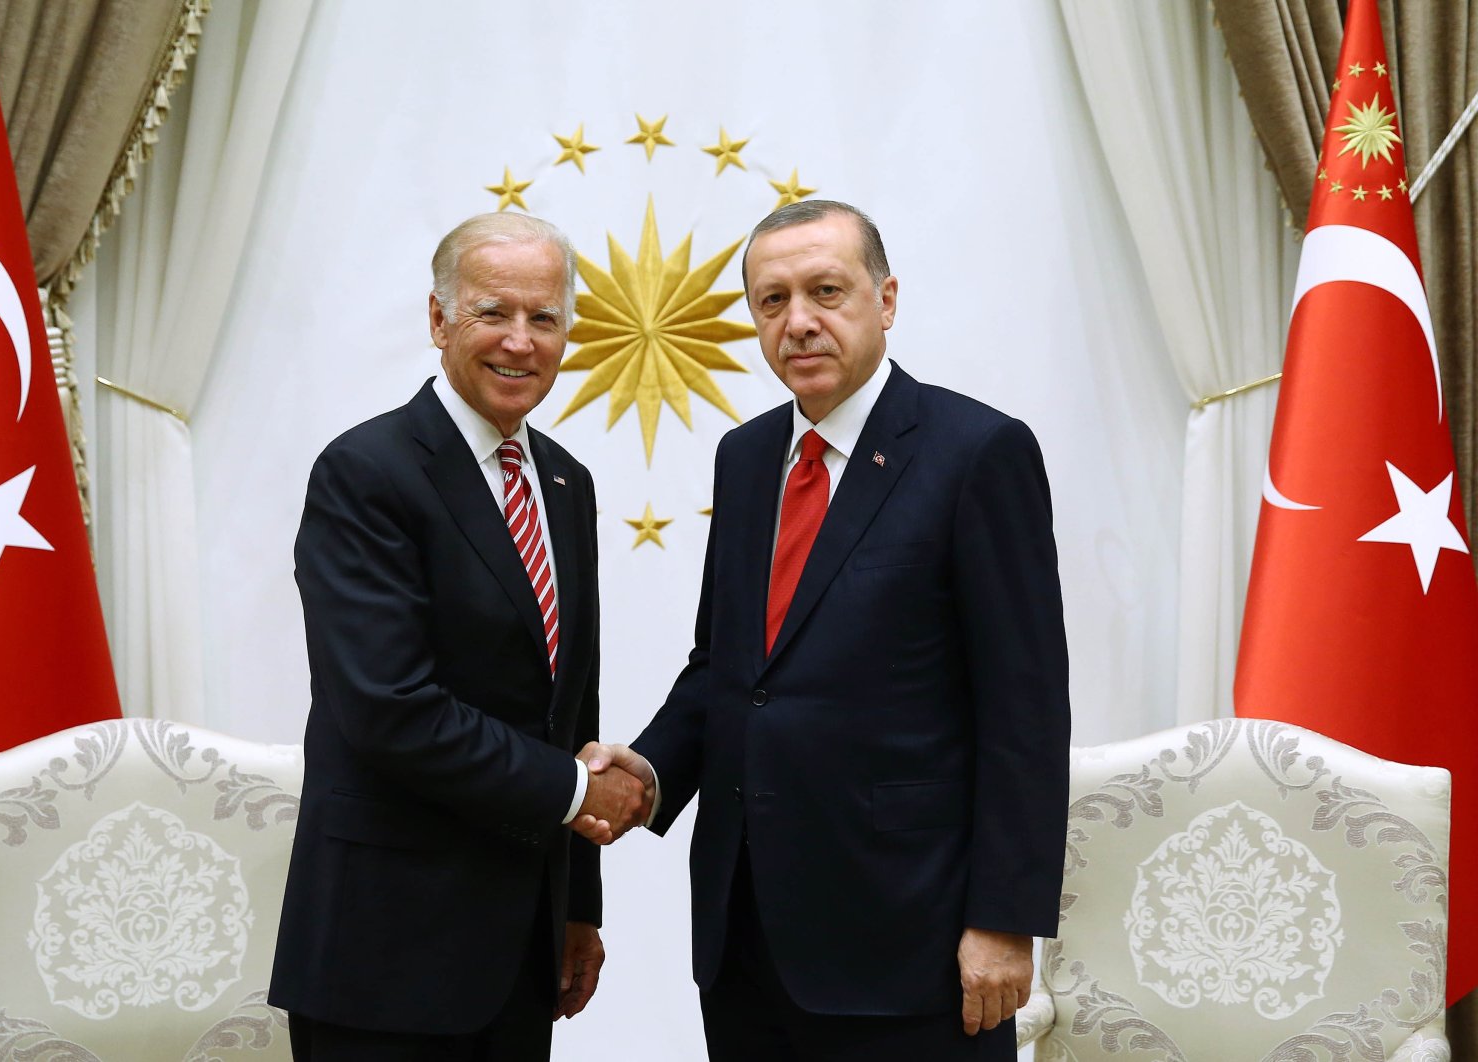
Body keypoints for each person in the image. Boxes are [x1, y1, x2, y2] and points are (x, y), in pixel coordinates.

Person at [587, 200, 1071, 1060]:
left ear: (885, 300)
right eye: (772, 301)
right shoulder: (744, 458)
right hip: (747, 935)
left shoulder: (976, 453)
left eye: (826, 291)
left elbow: (1024, 711)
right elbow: (728, 669)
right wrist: (653, 771)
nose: (798, 322)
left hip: (912, 940)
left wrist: (1004, 921)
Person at [269, 212, 650, 1061]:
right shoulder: (365, 473)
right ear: (439, 321)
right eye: (493, 313)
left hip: (520, 949)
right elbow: (388, 708)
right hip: (385, 951)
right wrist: (575, 791)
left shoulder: (565, 481)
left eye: (544, 318)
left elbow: (568, 714)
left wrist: (576, 907)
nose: (520, 341)